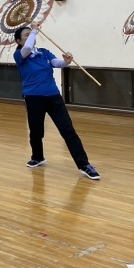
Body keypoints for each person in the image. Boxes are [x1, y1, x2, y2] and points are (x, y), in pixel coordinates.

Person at [13, 22, 100, 180]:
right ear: (18, 41)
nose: (31, 35)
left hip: (53, 97)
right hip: (33, 98)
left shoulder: (44, 52)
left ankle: (84, 165)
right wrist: (33, 30)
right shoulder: (19, 55)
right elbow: (27, 49)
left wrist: (66, 61)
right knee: (36, 130)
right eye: (26, 35)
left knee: (68, 130)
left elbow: (57, 64)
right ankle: (37, 157)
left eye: (31, 34)